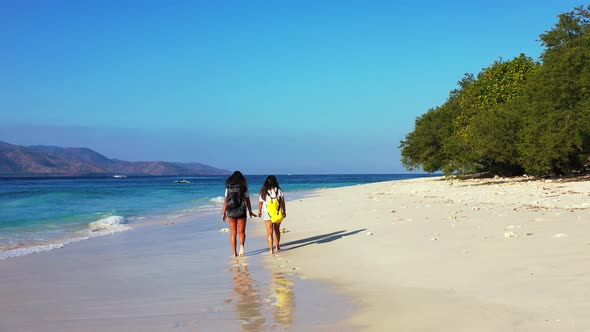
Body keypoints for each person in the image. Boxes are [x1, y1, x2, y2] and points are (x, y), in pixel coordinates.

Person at [222, 171, 256, 257]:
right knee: (242, 232)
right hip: (241, 211)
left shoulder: (228, 187)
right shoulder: (244, 187)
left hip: (231, 211)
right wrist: (250, 211)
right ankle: (242, 246)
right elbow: (248, 200)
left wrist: (223, 212)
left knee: (233, 233)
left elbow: (226, 200)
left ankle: (234, 253)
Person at [257, 175, 286, 254]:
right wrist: (284, 211)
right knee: (277, 230)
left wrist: (259, 211)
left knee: (269, 232)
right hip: (277, 212)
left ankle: (271, 250)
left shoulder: (263, 191)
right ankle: (277, 247)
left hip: (267, 213)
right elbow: (282, 202)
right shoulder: (279, 191)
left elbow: (260, 203)